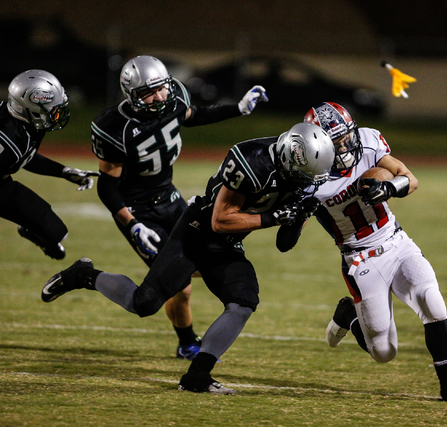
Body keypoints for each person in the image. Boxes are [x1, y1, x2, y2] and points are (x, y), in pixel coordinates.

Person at [41, 122, 335, 394]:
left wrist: (298, 217)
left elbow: (285, 244)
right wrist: (272, 217)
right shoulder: (252, 160)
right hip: (196, 233)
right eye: (302, 174)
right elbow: (219, 221)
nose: (305, 182)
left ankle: (197, 377)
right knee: (143, 303)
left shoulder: (305, 178)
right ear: (289, 156)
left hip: (228, 244)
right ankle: (83, 275)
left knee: (243, 302)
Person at [293, 102, 447, 403]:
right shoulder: (310, 176)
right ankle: (348, 316)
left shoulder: (368, 142)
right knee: (384, 352)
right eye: (336, 142)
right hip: (359, 258)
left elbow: (410, 178)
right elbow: (290, 235)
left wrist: (389, 189)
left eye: (346, 136)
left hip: (395, 242)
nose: (346, 145)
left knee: (432, 301)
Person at [90, 55, 268, 360]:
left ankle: (186, 341)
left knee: (196, 265)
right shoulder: (114, 126)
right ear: (131, 95)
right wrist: (131, 223)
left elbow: (192, 115)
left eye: (160, 88)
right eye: (148, 92)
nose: (158, 96)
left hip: (170, 198)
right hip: (138, 210)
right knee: (178, 285)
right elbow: (107, 185)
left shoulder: (173, 98)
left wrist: (237, 108)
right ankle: (186, 342)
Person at [0, 69, 98, 260]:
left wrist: (63, 171)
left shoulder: (25, 123)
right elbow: (15, 154)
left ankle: (31, 231)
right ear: (31, 109)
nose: (57, 114)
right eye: (52, 109)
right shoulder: (7, 143)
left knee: (56, 232)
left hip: (3, 183)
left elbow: (25, 156)